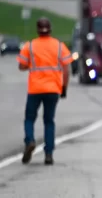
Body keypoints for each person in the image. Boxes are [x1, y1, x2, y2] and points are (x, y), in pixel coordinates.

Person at [17, 17, 74, 165]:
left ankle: (29, 140)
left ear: (37, 30)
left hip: (35, 89)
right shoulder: (59, 46)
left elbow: (21, 66)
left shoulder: (29, 46)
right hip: (53, 89)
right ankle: (48, 154)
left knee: (29, 118)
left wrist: (31, 65)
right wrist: (64, 88)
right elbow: (67, 69)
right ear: (50, 29)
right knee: (49, 121)